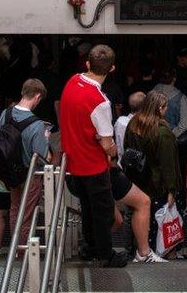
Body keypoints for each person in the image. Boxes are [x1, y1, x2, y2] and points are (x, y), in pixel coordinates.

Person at [59, 44, 130, 267]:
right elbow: (107, 142)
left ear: (87, 64)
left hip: (72, 162)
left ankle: (88, 248)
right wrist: (115, 152)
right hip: (93, 166)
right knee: (102, 212)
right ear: (112, 69)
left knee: (87, 209)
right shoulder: (100, 102)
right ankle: (105, 254)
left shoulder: (72, 82)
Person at [124, 91, 182, 251]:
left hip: (136, 180)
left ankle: (137, 248)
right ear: (160, 108)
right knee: (158, 219)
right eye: (165, 107)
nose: (166, 111)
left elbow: (127, 150)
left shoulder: (133, 124)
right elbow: (168, 164)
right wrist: (172, 189)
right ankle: (156, 251)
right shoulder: (163, 132)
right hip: (157, 183)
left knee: (138, 213)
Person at [0, 78, 51, 245]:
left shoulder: (5, 114)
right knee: (26, 215)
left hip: (10, 171)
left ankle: (15, 248)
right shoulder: (36, 125)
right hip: (30, 175)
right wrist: (46, 138)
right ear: (37, 97)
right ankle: (23, 251)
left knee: (15, 209)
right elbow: (42, 157)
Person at [152, 69, 187, 143]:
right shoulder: (181, 98)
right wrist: (170, 135)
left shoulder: (154, 91)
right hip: (171, 138)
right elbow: (184, 125)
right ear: (174, 78)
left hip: (153, 134)